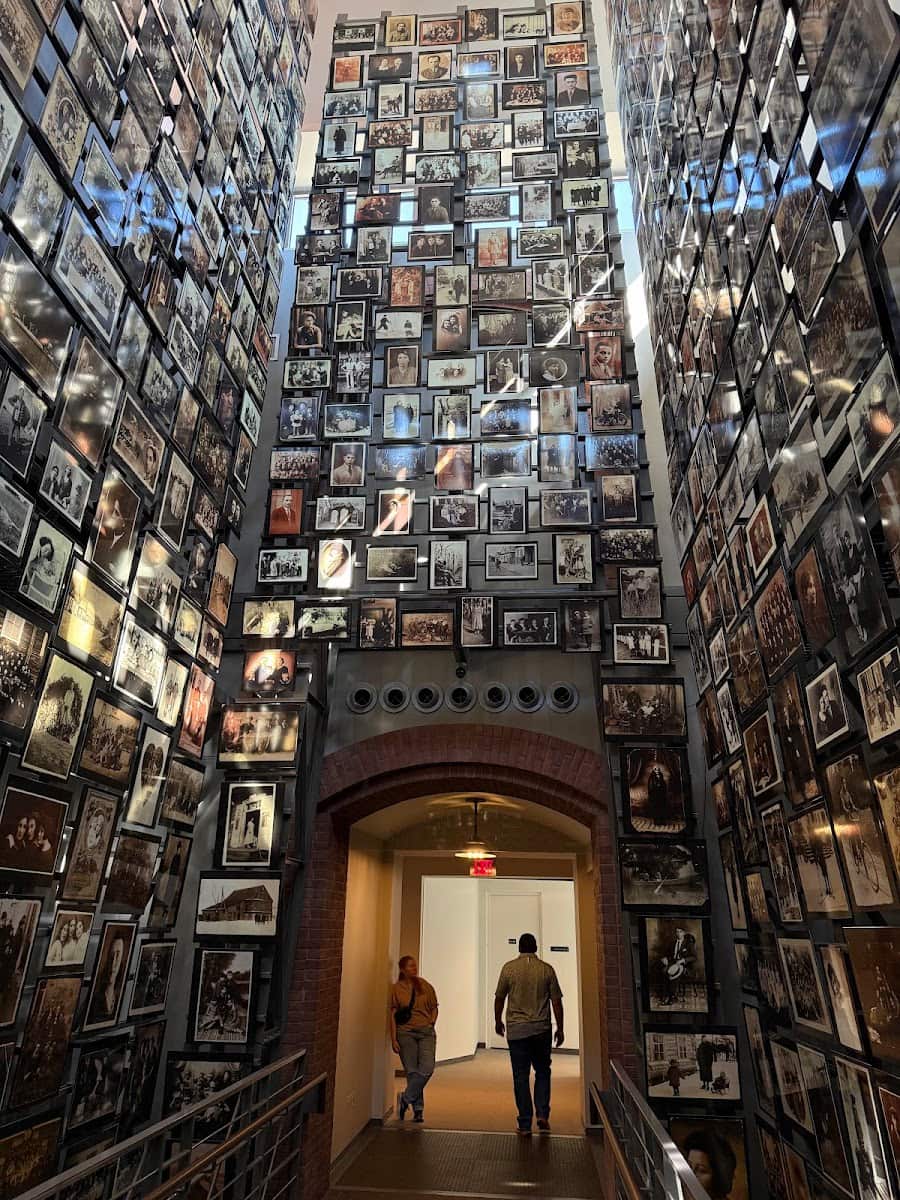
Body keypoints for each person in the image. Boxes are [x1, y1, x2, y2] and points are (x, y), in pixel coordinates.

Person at [494, 933, 564, 1135]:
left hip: (517, 1031)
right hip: (541, 1030)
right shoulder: (546, 969)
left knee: (520, 1076)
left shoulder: (508, 969)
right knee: (543, 1071)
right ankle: (542, 1114)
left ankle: (524, 1122)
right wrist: (560, 1027)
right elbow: (557, 1002)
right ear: (535, 947)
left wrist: (498, 1021)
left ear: (519, 948)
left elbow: (499, 998)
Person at [390, 955, 438, 1122]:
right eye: (410, 966)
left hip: (425, 1032)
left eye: (415, 965)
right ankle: (418, 1110)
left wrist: (432, 1022)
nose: (414, 968)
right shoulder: (396, 989)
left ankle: (405, 1098)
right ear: (402, 970)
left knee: (427, 1068)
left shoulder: (425, 986)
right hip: (405, 1033)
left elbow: (434, 1007)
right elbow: (393, 1015)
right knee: (412, 1072)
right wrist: (393, 1039)